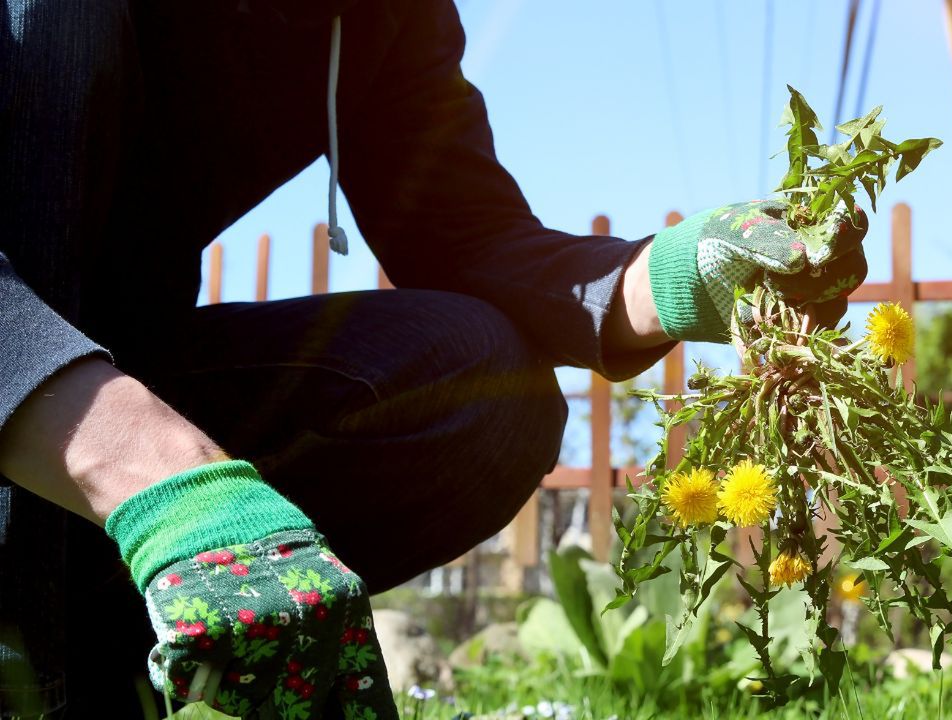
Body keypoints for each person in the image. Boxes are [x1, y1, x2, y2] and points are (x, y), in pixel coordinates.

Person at [0, 1, 868, 717]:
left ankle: (107, 653)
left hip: (113, 379)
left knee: (481, 386)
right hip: (50, 394)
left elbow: (463, 232)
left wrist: (670, 279)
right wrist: (170, 487)